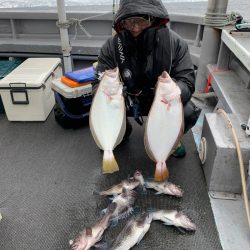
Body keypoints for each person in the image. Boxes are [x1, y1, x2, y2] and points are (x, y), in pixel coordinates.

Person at [91, 0, 201, 158]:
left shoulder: (175, 43)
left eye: (142, 20)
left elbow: (187, 81)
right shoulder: (111, 46)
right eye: (129, 21)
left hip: (162, 101)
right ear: (121, 22)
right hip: (126, 101)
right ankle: (119, 132)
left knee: (188, 111)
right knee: (98, 107)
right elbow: (97, 83)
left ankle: (170, 139)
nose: (135, 28)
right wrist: (105, 93)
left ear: (154, 18)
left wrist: (175, 91)